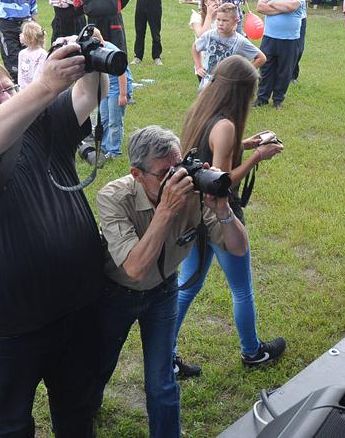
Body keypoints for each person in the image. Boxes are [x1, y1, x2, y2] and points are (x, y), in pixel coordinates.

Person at [0, 47, 108, 437]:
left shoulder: (43, 123)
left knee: (76, 408)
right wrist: (46, 84)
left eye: (10, 88)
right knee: (11, 419)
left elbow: (89, 95)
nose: (7, 97)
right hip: (10, 323)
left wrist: (90, 60)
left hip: (76, 306)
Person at [93, 125, 249, 438]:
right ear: (137, 174)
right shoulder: (114, 197)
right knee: (99, 365)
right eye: (165, 172)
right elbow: (135, 268)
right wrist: (165, 210)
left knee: (162, 383)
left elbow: (238, 248)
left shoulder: (193, 193)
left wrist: (223, 210)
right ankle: (86, 407)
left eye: (178, 166)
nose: (177, 178)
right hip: (116, 294)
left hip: (163, 292)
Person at [174, 56, 285, 377]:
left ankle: (165, 354)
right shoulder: (225, 126)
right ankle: (252, 352)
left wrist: (247, 144)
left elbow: (208, 155)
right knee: (241, 289)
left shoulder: (201, 109)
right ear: (241, 92)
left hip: (194, 211)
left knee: (187, 285)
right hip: (219, 214)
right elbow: (221, 183)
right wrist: (257, 157)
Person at [253, 0, 305, 109]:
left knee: (285, 71)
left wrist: (271, 3)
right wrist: (284, 8)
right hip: (269, 37)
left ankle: (278, 100)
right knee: (266, 69)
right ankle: (262, 98)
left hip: (290, 39)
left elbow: (293, 6)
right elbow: (260, 7)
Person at [193, 3, 265, 90]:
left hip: (226, 89)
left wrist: (242, 75)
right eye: (218, 19)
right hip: (206, 86)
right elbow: (195, 47)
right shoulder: (209, 35)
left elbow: (261, 58)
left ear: (235, 21)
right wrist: (198, 67)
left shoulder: (240, 41)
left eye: (225, 20)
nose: (220, 23)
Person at [97, 31, 132, 159]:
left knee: (114, 121)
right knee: (104, 119)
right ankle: (104, 147)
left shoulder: (112, 52)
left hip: (118, 88)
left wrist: (122, 95)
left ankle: (114, 151)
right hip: (106, 87)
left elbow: (122, 74)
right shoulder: (97, 51)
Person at [290, 0, 312, 82]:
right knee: (288, 47)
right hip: (287, 16)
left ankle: (293, 75)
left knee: (299, 48)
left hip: (301, 17)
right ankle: (287, 74)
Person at [17, 20, 48, 88]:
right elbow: (20, 74)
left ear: (31, 38)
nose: (20, 35)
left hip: (36, 88)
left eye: (23, 33)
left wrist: (32, 89)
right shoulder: (22, 53)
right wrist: (20, 87)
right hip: (23, 89)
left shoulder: (42, 53)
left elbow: (39, 73)